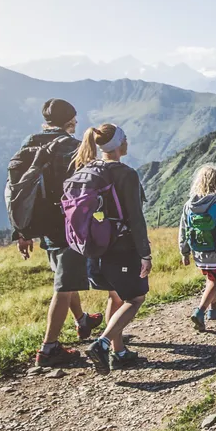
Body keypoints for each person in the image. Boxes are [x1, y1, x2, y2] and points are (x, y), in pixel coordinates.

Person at [7, 98, 103, 367]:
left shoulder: (30, 142)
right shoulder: (73, 147)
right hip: (67, 225)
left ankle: (82, 321)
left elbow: (18, 189)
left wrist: (22, 230)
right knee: (64, 284)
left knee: (64, 276)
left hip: (39, 224)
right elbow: (88, 187)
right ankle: (49, 349)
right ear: (70, 120)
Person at [67, 123, 153, 374]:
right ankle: (103, 343)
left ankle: (120, 352)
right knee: (135, 298)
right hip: (121, 247)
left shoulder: (87, 170)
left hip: (94, 248)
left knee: (115, 295)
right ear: (117, 144)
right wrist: (144, 253)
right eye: (124, 137)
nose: (127, 141)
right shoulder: (126, 174)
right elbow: (136, 217)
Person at [179, 165, 216, 332]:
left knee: (210, 277)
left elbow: (183, 229)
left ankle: (214, 309)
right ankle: (200, 311)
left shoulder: (188, 205)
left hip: (198, 251)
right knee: (214, 280)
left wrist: (184, 252)